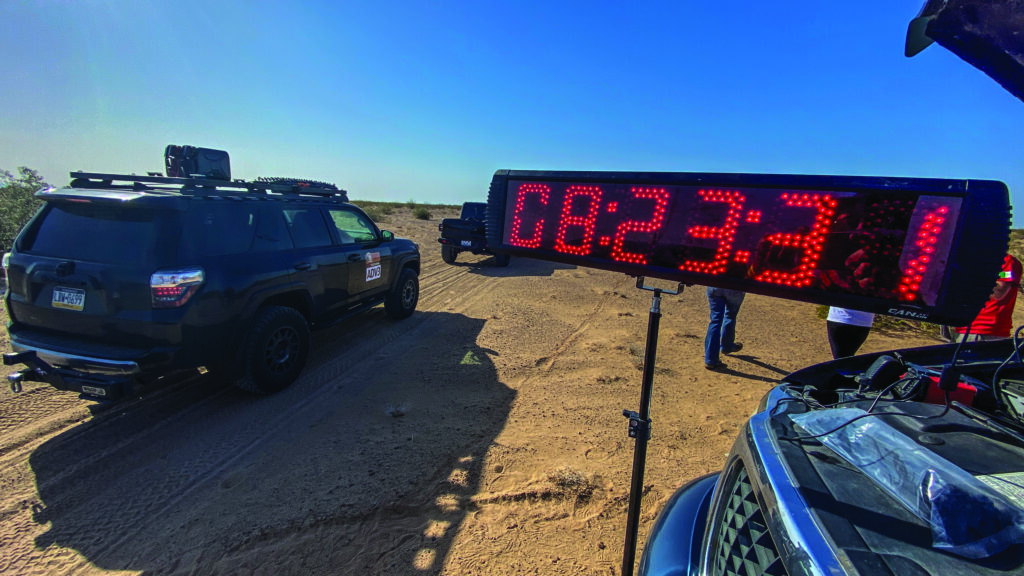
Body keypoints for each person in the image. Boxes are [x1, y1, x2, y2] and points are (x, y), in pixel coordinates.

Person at [957, 253, 1023, 342]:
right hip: (961, 326)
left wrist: (973, 279)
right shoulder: (971, 258)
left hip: (984, 331)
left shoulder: (1007, 261)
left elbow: (999, 292)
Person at [704, 287, 745, 370]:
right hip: (735, 288)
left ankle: (710, 360)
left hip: (716, 286)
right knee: (730, 316)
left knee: (715, 321)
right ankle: (727, 346)